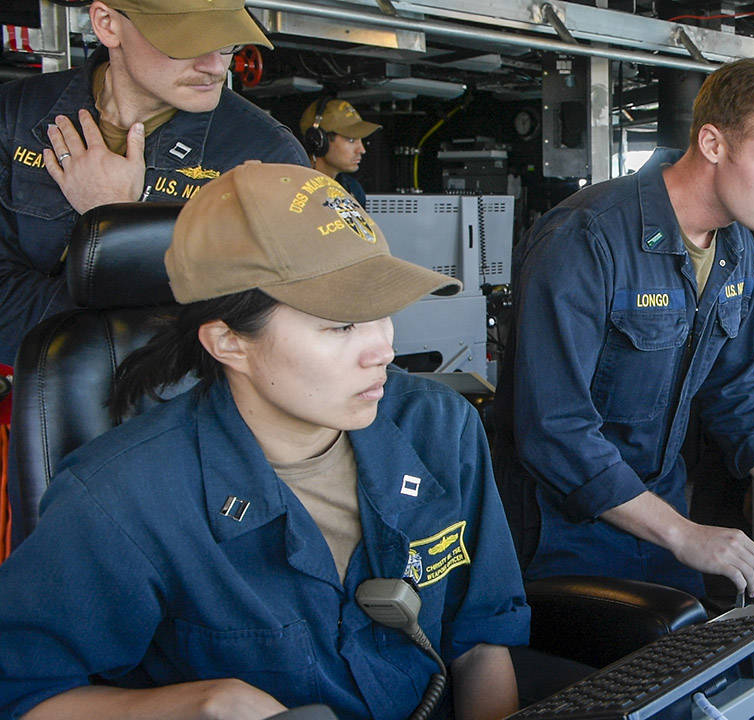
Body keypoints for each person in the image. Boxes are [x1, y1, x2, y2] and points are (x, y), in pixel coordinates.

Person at [0, 163, 529, 720]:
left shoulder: (441, 427)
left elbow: (480, 640)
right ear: (229, 343)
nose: (384, 350)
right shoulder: (121, 496)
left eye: (383, 313)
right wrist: (196, 704)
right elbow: (21, 690)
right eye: (341, 325)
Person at [491, 58, 754, 599]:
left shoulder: (736, 244)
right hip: (563, 524)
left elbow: (733, 386)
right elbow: (554, 427)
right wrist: (683, 535)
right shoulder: (586, 238)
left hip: (664, 510)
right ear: (713, 144)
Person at [0, 0, 309, 365]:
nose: (214, 66)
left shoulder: (267, 153)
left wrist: (117, 219)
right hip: (33, 398)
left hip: (174, 406)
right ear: (107, 24)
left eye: (229, 42)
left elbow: (257, 330)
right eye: (188, 41)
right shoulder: (15, 113)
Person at [299, 96, 380, 206]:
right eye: (351, 140)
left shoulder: (353, 190)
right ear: (318, 141)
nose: (362, 150)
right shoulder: (291, 191)